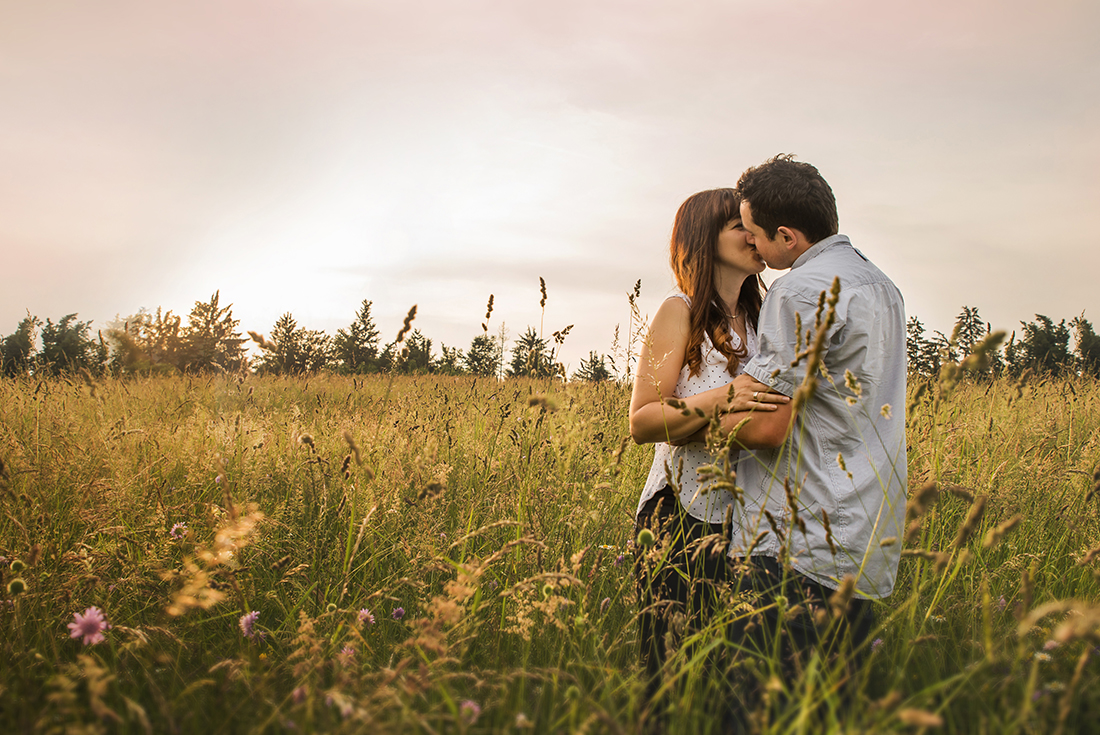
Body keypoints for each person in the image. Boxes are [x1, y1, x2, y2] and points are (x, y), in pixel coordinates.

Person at [705, 155, 908, 711]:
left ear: (787, 236)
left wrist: (683, 419)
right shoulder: (882, 286)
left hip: (797, 538)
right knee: (829, 712)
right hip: (865, 531)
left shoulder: (797, 292)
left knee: (759, 710)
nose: (751, 242)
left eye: (753, 231)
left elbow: (767, 425)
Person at [627, 188, 788, 725]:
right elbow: (643, 420)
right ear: (703, 236)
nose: (753, 235)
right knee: (671, 684)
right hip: (678, 519)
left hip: (752, 523)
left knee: (732, 687)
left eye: (756, 225)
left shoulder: (766, 321)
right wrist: (722, 398)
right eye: (738, 225)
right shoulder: (680, 312)